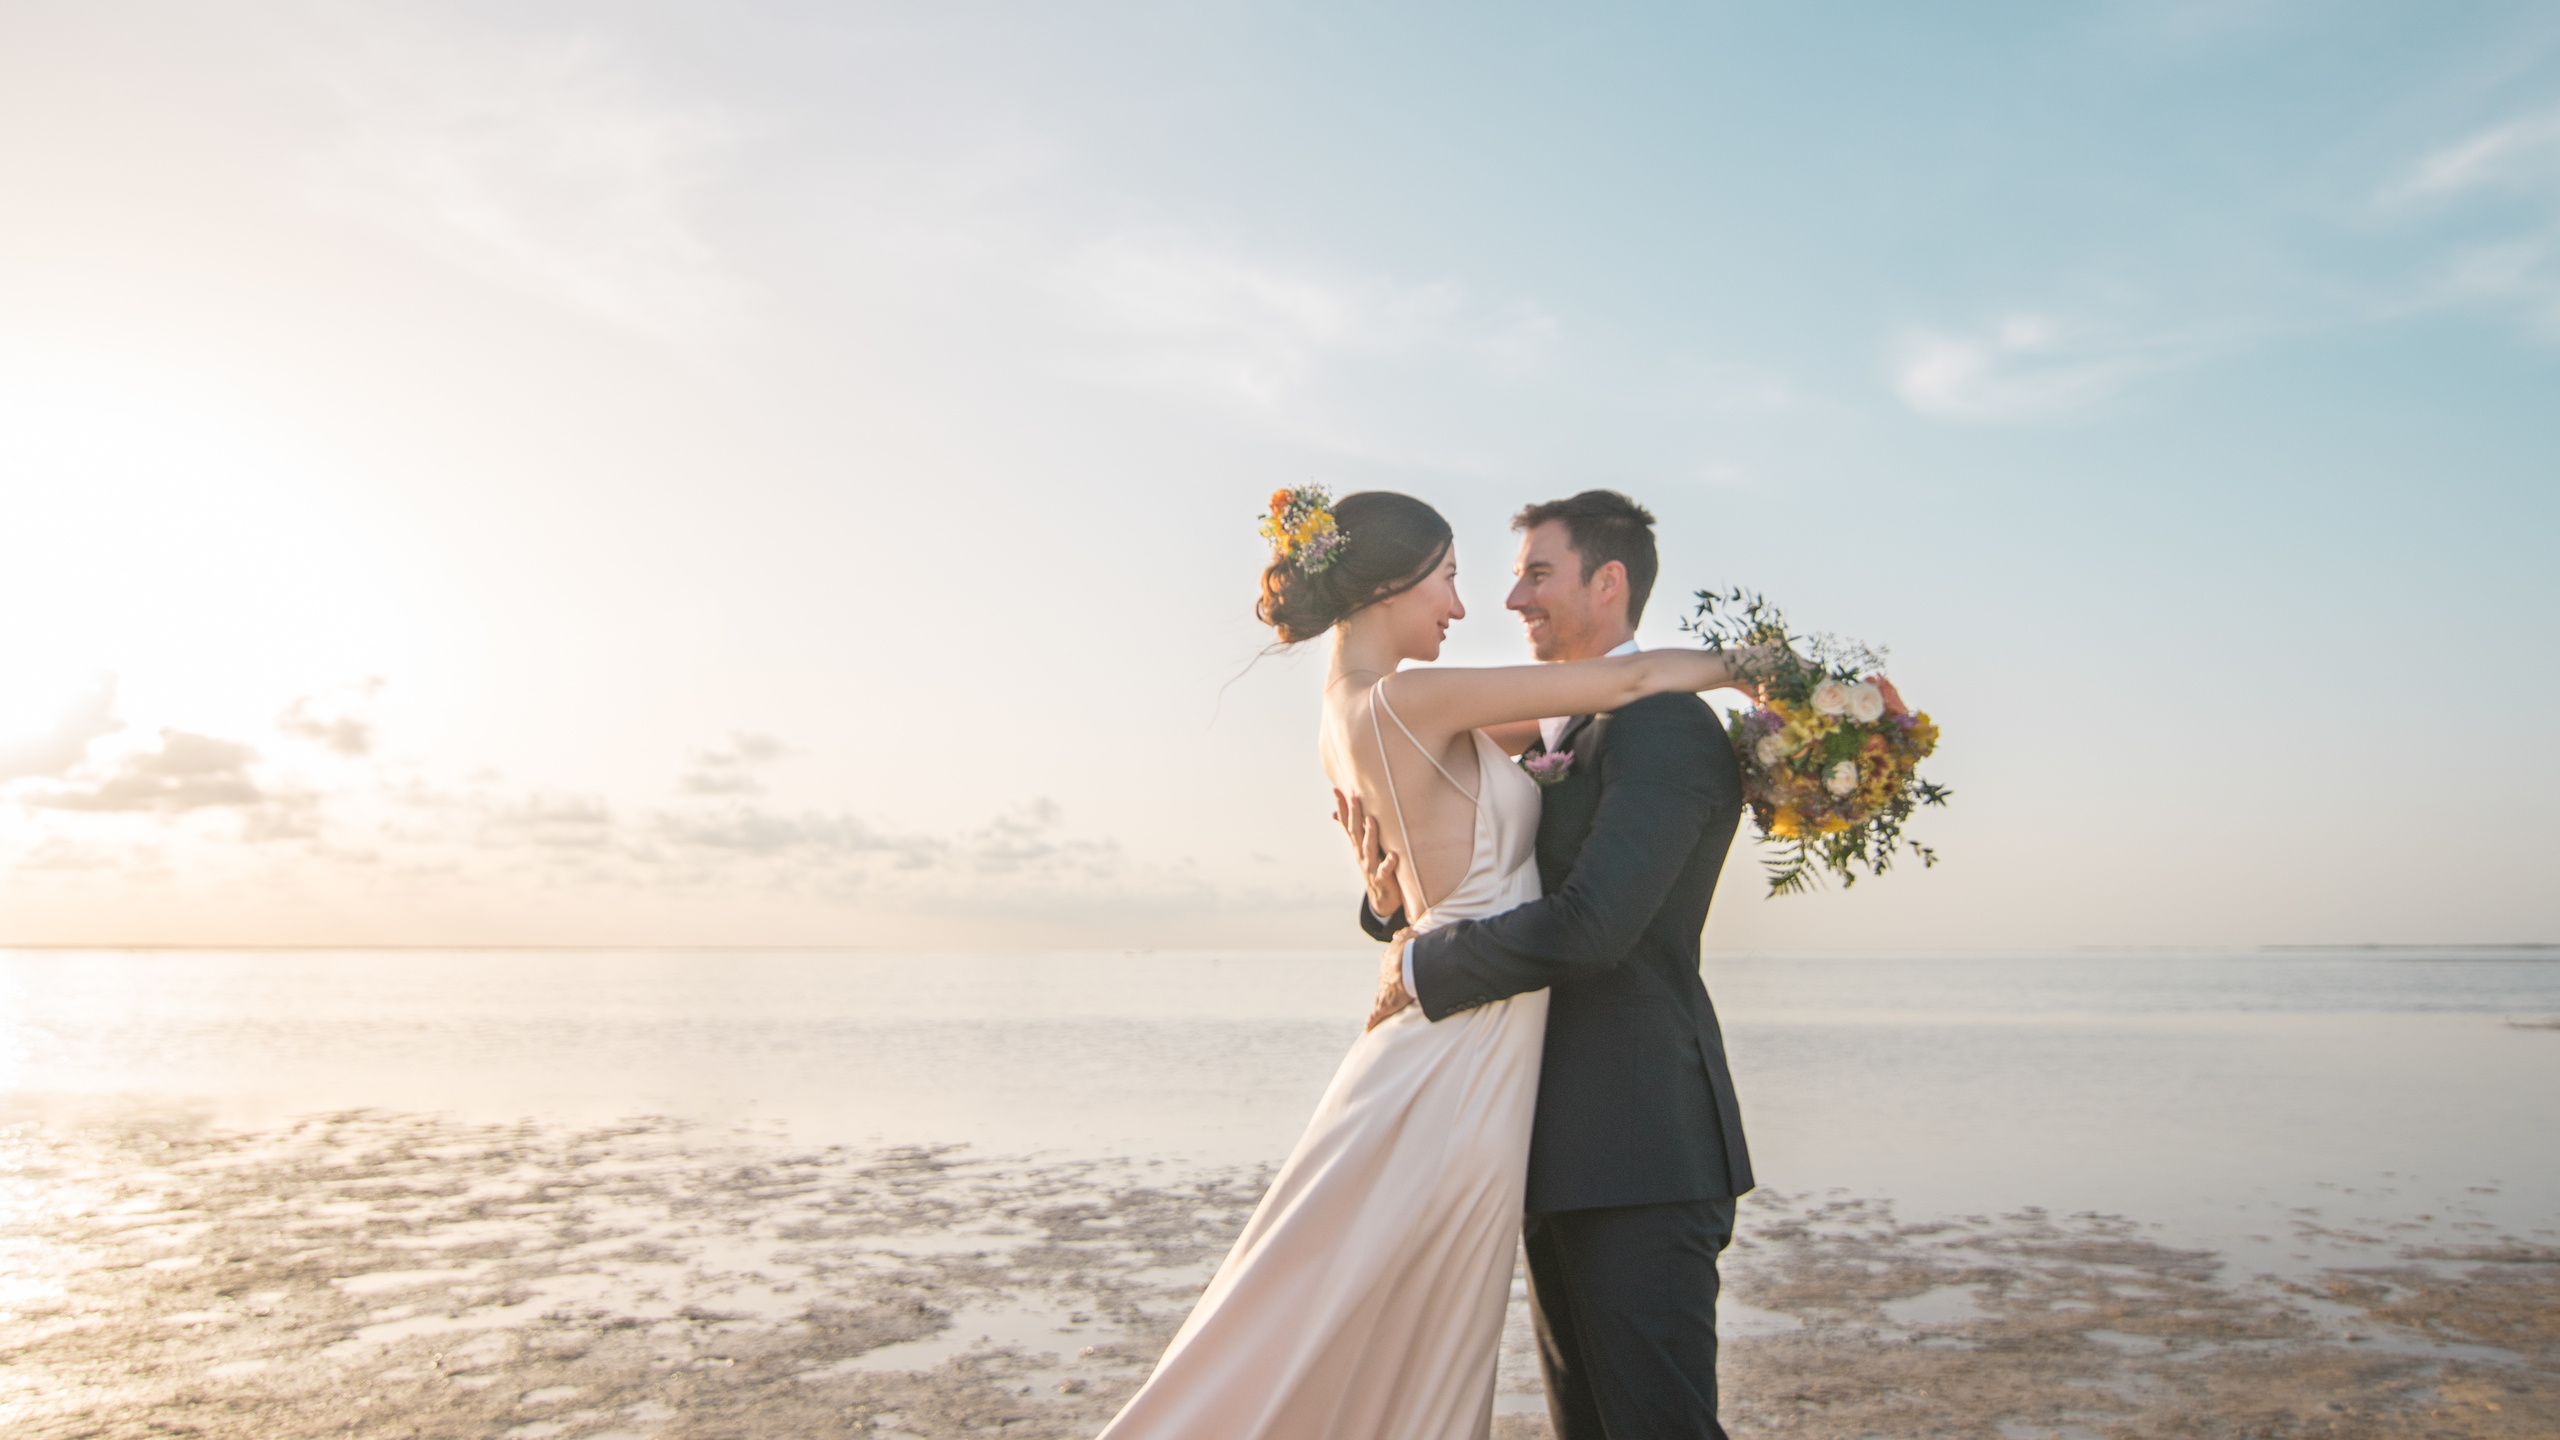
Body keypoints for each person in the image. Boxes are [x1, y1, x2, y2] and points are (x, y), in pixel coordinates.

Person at [1094, 489, 1762, 1440]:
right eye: (1456, 578)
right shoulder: (1433, 703)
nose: (1487, 603)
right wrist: (1765, 666)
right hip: (1514, 1105)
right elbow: (1483, 838)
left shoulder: (1651, 724)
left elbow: (1585, 920)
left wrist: (1407, 937)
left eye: (1533, 574)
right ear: (1385, 587)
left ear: (1606, 582)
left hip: (1626, 1135)